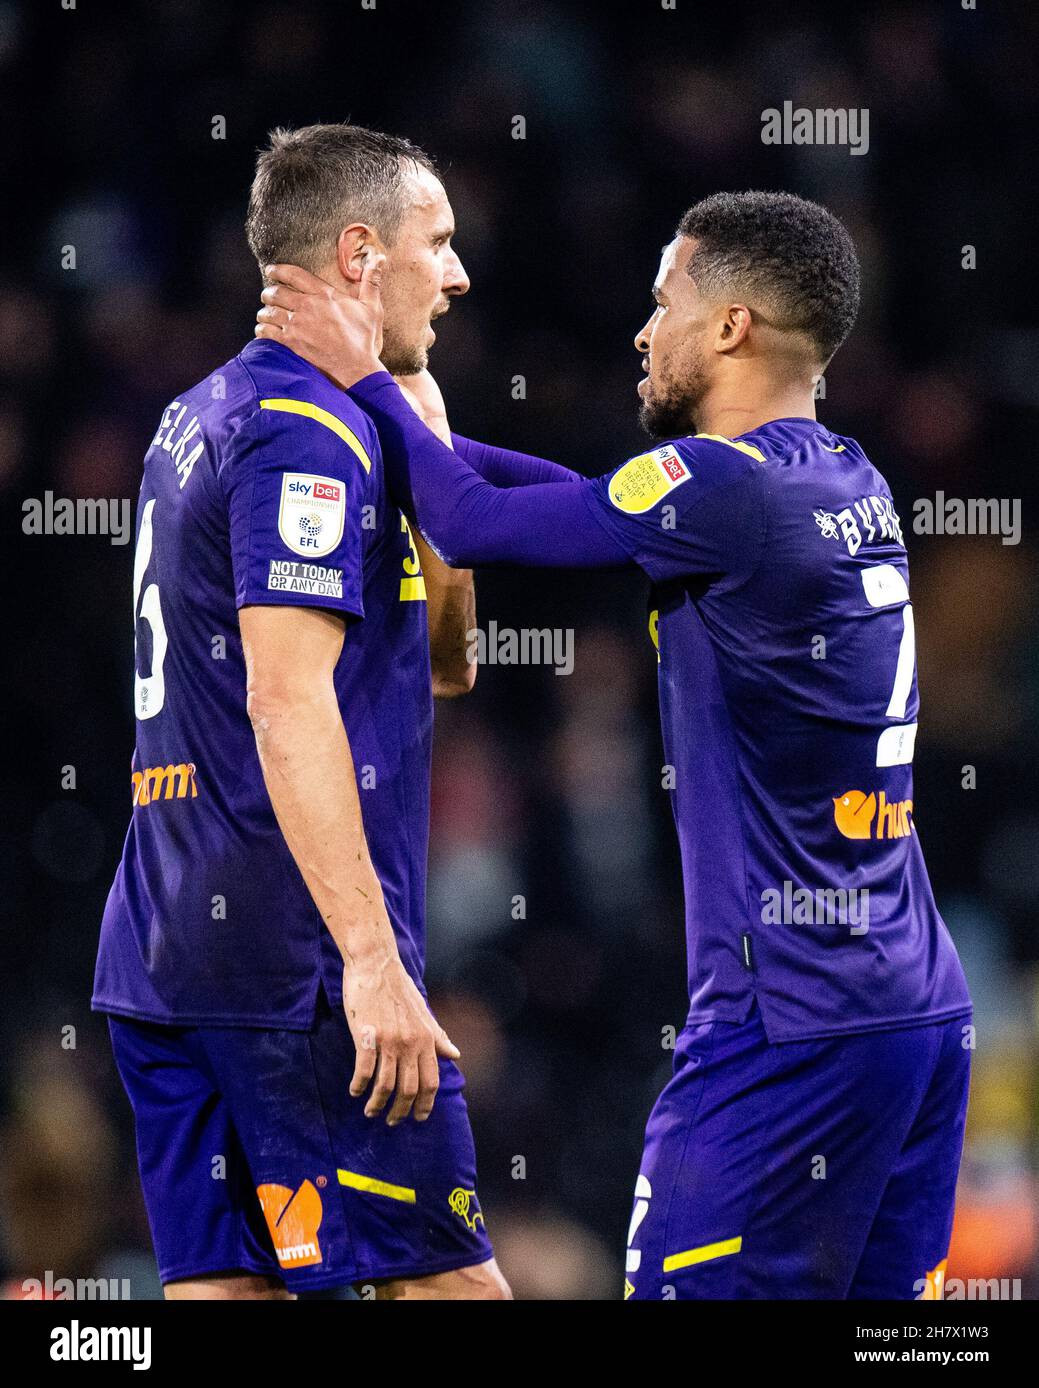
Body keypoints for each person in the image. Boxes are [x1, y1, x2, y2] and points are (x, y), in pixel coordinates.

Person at [255, 189, 973, 1300]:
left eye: (663, 300)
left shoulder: (719, 485)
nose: (643, 332)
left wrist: (358, 377)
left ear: (729, 326)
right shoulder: (844, 478)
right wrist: (420, 430)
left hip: (786, 1022)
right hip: (915, 1008)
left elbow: (473, 522)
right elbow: (579, 502)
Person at [93, 123, 510, 1300]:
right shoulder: (305, 437)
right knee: (447, 1285)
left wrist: (430, 459)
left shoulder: (198, 415)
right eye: (440, 243)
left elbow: (446, 664)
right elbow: (286, 702)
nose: (460, 273)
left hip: (164, 948)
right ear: (362, 256)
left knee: (228, 1291)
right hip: (297, 965)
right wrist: (371, 961)